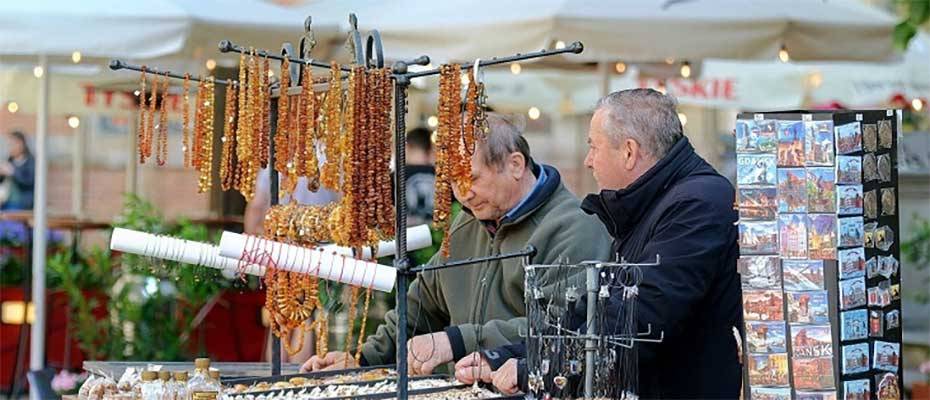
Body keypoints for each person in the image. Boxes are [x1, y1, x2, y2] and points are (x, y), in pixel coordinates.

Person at [460, 89, 743, 398]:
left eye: (594, 147)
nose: (588, 160)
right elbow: (591, 312)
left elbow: (637, 316)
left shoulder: (697, 204)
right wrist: (507, 354)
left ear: (629, 152)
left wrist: (535, 367)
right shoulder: (651, 203)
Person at [302, 113, 612, 373]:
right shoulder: (467, 220)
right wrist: (363, 361)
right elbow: (423, 301)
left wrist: (457, 340)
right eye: (451, 181)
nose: (462, 193)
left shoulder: (575, 228)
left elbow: (563, 328)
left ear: (515, 165)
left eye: (472, 178)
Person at [243, 167, 340, 362]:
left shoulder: (274, 164)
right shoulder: (329, 161)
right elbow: (343, 206)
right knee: (308, 314)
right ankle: (298, 374)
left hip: (281, 251)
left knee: (281, 316)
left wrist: (254, 246)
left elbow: (256, 208)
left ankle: (276, 374)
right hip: (319, 253)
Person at [404, 127, 437, 227]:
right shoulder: (441, 176)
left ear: (407, 146)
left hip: (408, 237)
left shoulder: (396, 176)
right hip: (437, 236)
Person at [0, 131, 36, 211]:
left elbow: (29, 180)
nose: (10, 147)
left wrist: (13, 172)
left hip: (23, 204)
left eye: (12, 144)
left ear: (21, 144)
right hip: (5, 201)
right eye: (9, 145)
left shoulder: (31, 161)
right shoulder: (9, 160)